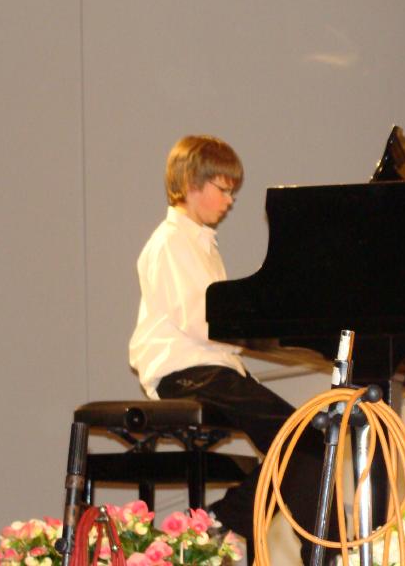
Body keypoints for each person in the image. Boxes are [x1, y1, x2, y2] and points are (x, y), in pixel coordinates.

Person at [129, 134, 331, 563]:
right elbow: (201, 322)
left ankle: (232, 524)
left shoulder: (200, 244)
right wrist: (260, 330)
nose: (229, 201)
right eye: (223, 189)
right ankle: (229, 524)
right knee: (302, 441)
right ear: (191, 183)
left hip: (211, 373)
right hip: (186, 376)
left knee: (305, 442)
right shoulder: (170, 243)